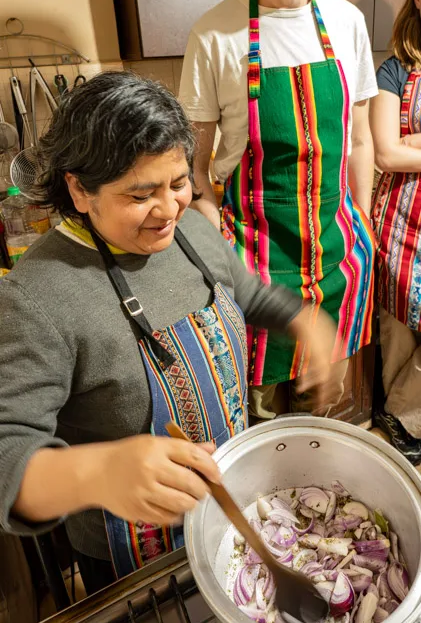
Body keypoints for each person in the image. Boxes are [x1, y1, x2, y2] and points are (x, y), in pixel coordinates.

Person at [0, 72, 335, 596]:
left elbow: (245, 292)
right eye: (140, 194)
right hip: (133, 558)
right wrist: (98, 472)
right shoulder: (36, 297)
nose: (168, 209)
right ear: (78, 189)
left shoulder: (192, 230)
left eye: (177, 183)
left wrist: (304, 323)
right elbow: (6, 454)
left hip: (229, 511)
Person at [179, 0, 378, 420]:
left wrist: (360, 227)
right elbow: (195, 170)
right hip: (254, 278)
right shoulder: (214, 35)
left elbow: (362, 139)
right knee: (265, 437)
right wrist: (220, 259)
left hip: (340, 268)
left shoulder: (347, 22)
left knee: (335, 430)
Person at [371, 0, 421, 464]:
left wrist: (417, 146)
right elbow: (386, 153)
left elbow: (405, 150)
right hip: (401, 224)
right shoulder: (394, 69)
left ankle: (402, 422)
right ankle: (401, 441)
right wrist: (403, 147)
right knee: (399, 331)